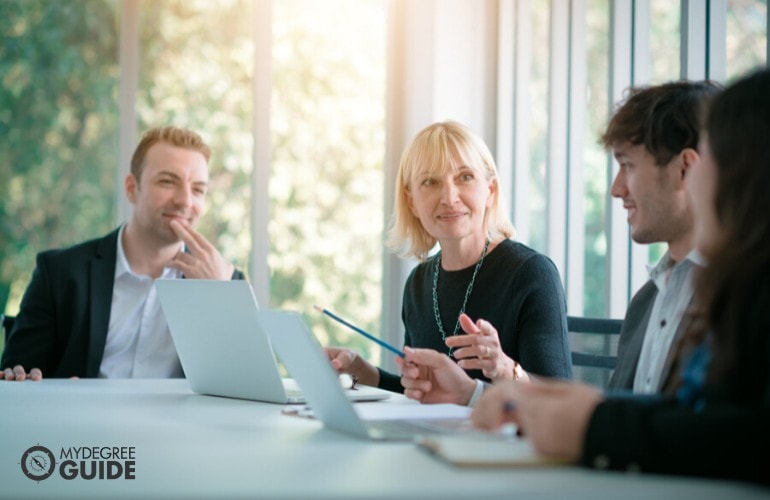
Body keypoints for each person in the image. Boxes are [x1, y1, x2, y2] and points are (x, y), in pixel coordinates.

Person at [471, 68, 770, 485]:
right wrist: (553, 402)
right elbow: (673, 417)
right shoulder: (652, 299)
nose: (614, 189)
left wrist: (594, 422)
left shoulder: (747, 296)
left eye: (627, 165)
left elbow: (739, 434)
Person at [325, 120, 572, 405]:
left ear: (490, 191)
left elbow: (560, 403)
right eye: (430, 182)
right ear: (412, 202)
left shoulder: (531, 273)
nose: (449, 197)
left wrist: (506, 368)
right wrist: (363, 372)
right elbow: (428, 394)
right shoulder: (418, 283)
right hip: (439, 443)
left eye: (465, 177)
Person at [1, 126, 244, 381]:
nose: (185, 201)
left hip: (178, 421)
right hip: (81, 419)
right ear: (131, 188)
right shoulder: (60, 273)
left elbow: (244, 386)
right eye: (167, 181)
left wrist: (220, 299)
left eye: (198, 189)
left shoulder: (225, 282)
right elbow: (17, 375)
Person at [603, 80, 721, 393]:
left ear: (685, 169)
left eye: (627, 166)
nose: (616, 189)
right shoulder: (644, 303)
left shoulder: (744, 302)